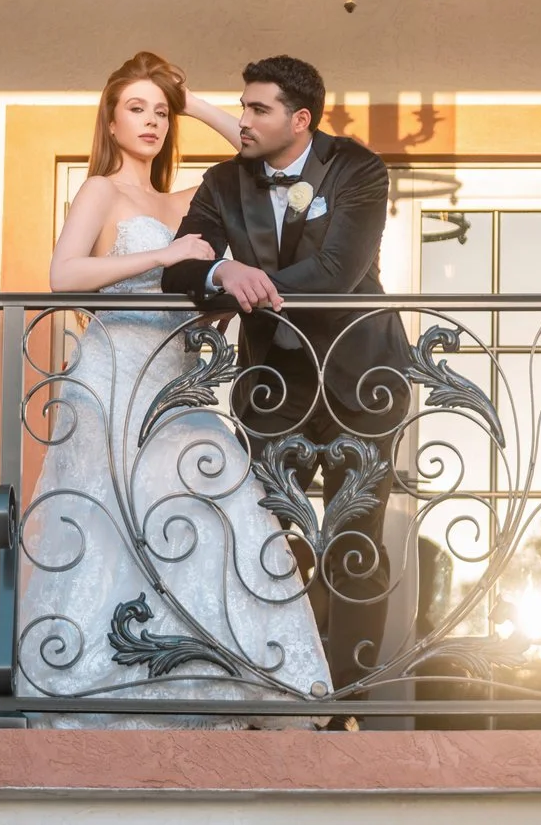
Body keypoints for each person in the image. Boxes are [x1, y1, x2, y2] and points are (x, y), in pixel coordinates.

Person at [14, 52, 330, 725]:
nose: (151, 120)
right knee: (112, 520)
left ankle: (205, 679)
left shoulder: (191, 197)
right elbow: (63, 274)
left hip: (175, 375)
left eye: (160, 111)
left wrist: (198, 105)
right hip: (113, 369)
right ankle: (93, 676)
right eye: (137, 107)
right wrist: (164, 255)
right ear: (111, 117)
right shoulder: (103, 189)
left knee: (203, 506)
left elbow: (261, 169)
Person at [164, 55, 411, 709]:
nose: (241, 119)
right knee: (274, 537)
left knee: (354, 543)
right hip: (273, 383)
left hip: (364, 378)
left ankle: (344, 705)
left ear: (299, 119)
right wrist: (217, 274)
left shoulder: (357, 169)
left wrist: (244, 280)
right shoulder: (222, 183)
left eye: (257, 109)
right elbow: (182, 264)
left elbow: (335, 273)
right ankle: (280, 697)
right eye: (240, 107)